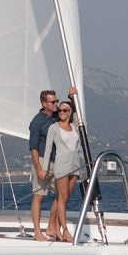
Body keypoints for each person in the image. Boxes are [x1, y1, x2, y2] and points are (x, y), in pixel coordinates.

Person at [44, 99, 84, 241]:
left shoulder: (75, 126)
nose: (61, 112)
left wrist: (73, 97)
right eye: (59, 110)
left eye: (65, 110)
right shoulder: (54, 127)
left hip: (75, 166)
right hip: (61, 166)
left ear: (70, 112)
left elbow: (79, 112)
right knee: (62, 197)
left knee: (65, 198)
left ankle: (55, 228)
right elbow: (48, 150)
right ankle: (65, 230)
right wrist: (45, 169)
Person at [28, 89, 61, 241]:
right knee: (39, 196)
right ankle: (37, 231)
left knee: (62, 194)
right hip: (42, 160)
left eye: (56, 101)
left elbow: (72, 110)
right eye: (53, 102)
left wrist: (72, 96)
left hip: (57, 160)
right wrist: (39, 169)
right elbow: (33, 148)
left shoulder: (57, 116)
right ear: (44, 103)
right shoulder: (37, 122)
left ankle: (51, 227)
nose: (56, 104)